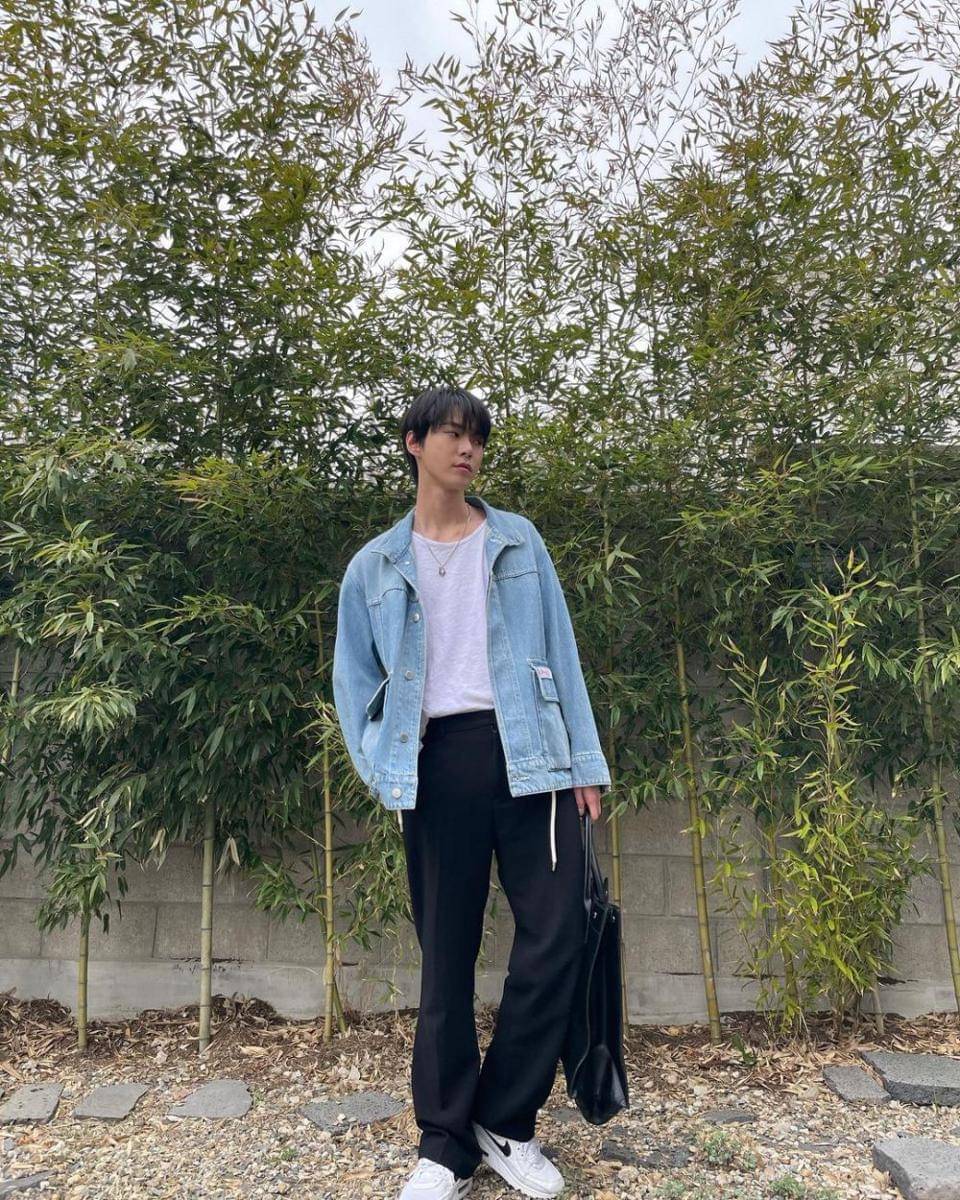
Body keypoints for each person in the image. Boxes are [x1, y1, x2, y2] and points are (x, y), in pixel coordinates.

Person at [332, 386, 611, 1199]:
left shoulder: (518, 541)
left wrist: (585, 762)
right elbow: (353, 681)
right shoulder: (375, 566)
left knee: (559, 933)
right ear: (413, 443)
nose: (467, 450)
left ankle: (505, 1118)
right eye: (452, 434)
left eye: (477, 438)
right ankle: (445, 1145)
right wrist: (383, 764)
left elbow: (561, 646)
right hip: (438, 763)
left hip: (534, 757)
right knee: (445, 960)